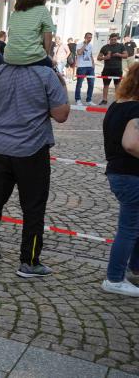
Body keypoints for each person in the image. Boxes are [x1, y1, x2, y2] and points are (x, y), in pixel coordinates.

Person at [0, 63, 70, 277]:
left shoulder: (0, 72)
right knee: (33, 207)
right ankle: (29, 261)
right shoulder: (46, 74)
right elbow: (61, 115)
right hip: (32, 149)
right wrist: (61, 86)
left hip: (0, 148)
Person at [101, 63, 139, 296]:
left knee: (135, 225)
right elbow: (131, 144)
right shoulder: (136, 109)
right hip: (131, 175)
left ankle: (135, 267)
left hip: (119, 172)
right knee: (129, 228)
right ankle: (114, 278)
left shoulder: (117, 105)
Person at [3, 0, 55, 69]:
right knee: (52, 68)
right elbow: (48, 35)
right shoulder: (42, 10)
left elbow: (10, 34)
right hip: (32, 57)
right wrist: (46, 54)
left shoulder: (16, 12)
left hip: (9, 57)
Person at [98, 33, 127, 106]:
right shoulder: (105, 47)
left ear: (117, 39)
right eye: (112, 39)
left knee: (117, 85)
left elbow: (126, 55)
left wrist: (119, 54)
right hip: (107, 69)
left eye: (115, 39)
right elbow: (98, 58)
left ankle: (117, 100)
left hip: (117, 69)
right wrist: (105, 57)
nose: (114, 41)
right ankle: (104, 100)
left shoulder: (121, 46)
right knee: (106, 85)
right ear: (109, 39)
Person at [75, 32, 96, 106]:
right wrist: (85, 44)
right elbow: (79, 53)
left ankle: (89, 99)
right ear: (85, 37)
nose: (89, 39)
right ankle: (78, 99)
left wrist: (93, 64)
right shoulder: (79, 44)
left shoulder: (91, 45)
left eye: (90, 37)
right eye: (88, 37)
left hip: (90, 67)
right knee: (79, 84)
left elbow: (90, 55)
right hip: (81, 67)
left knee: (91, 84)